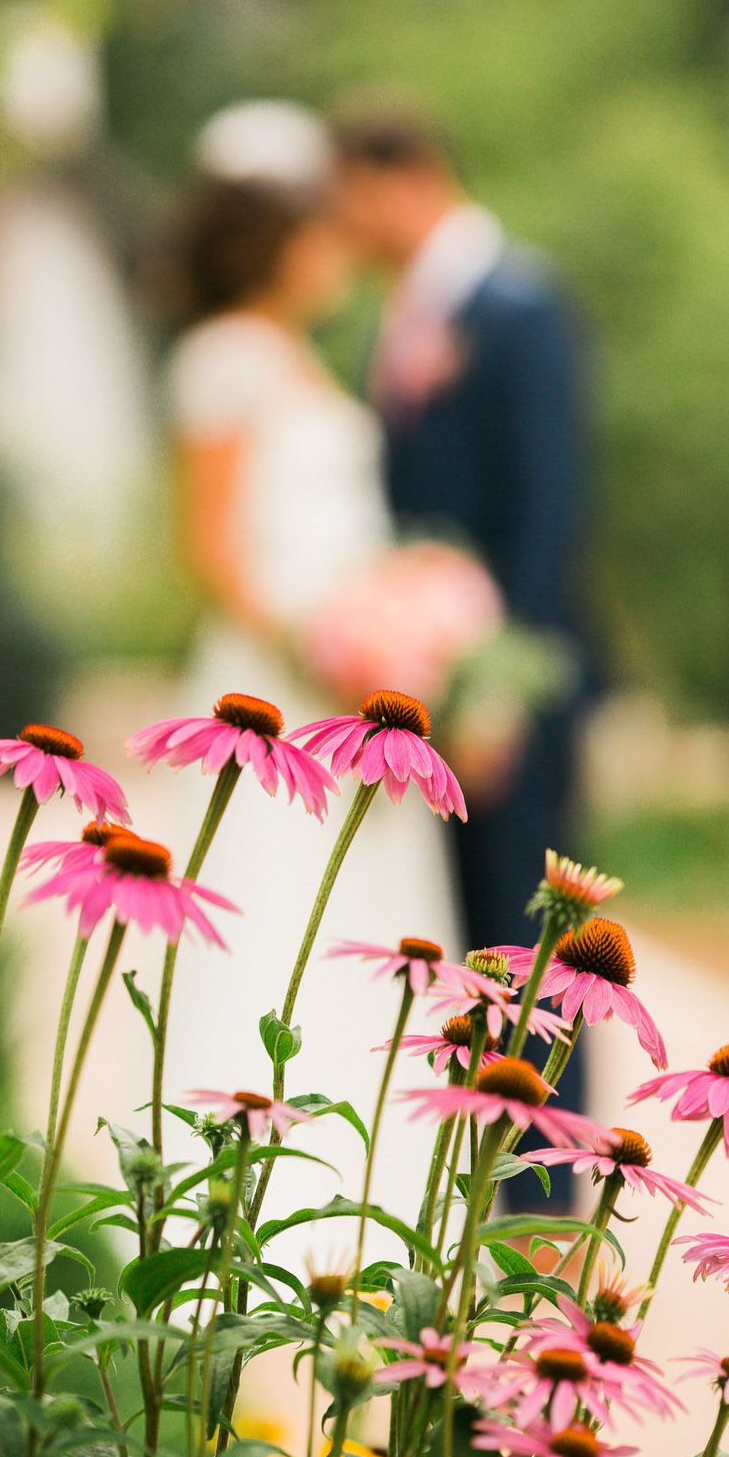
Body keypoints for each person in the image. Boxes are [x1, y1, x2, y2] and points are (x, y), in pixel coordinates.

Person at [159, 102, 464, 1264]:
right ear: (278, 242)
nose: (338, 251)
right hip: (275, 691)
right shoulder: (225, 358)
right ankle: (241, 1220)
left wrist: (401, 608)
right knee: (272, 917)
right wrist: (321, 637)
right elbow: (214, 545)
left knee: (364, 929)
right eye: (320, 232)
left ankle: (362, 1211)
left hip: (353, 706)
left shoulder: (302, 358)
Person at [334, 113, 593, 1211]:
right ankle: (487, 1195)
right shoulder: (400, 320)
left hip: (509, 695)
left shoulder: (518, 307)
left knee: (527, 952)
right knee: (460, 947)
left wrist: (494, 692)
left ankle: (540, 1210)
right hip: (431, 691)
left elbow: (548, 510)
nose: (344, 226)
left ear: (409, 176)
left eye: (351, 195)